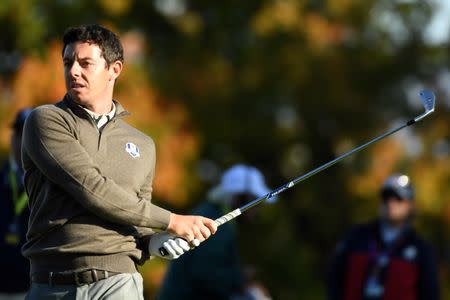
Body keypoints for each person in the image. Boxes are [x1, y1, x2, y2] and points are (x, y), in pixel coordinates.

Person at [21, 24, 217, 300]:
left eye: (85, 63)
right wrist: (172, 221)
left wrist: (156, 241)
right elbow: (91, 188)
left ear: (115, 69)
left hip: (118, 284)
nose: (73, 71)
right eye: (68, 63)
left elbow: (140, 223)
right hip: (51, 285)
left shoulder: (143, 145)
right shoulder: (46, 121)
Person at [157, 164, 274, 300]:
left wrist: (239, 277)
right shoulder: (214, 222)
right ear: (240, 197)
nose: (257, 209)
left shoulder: (215, 215)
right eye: (254, 200)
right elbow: (205, 275)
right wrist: (241, 282)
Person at [327, 174, 440, 300]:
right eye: (386, 197)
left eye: (398, 198)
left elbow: (430, 294)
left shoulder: (421, 250)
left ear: (410, 205)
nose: (391, 203)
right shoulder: (356, 236)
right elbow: (334, 279)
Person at [0, 108, 32, 300]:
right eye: (19, 134)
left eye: (29, 135)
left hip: (33, 288)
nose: (22, 141)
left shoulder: (50, 184)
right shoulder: (1, 178)